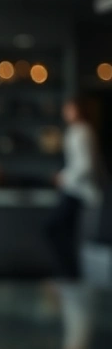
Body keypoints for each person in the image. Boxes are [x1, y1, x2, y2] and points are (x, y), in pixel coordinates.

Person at [45, 96, 104, 279]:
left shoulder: (82, 131)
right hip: (73, 190)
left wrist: (64, 177)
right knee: (67, 234)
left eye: (69, 108)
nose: (66, 112)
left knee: (53, 229)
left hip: (78, 192)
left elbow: (85, 165)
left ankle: (69, 273)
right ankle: (68, 275)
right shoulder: (77, 130)